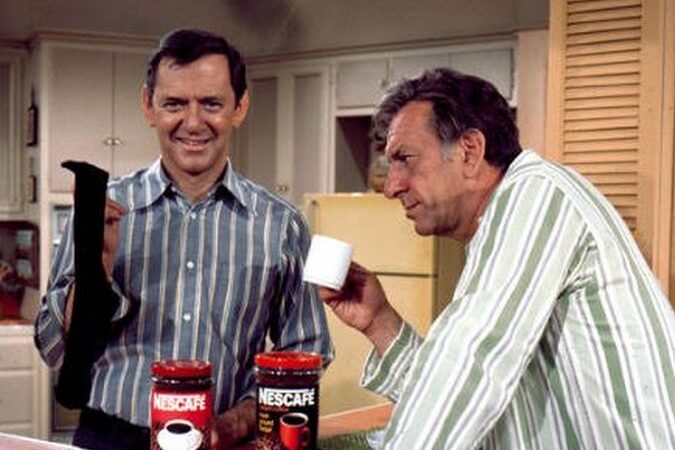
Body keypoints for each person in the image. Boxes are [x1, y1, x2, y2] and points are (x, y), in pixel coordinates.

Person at [320, 68, 675, 449]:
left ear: (470, 151)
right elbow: (451, 396)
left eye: (404, 158)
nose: (391, 187)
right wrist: (379, 321)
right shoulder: (498, 230)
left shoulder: (537, 194)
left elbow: (471, 365)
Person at [35, 28, 333, 449]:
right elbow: (52, 349)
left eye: (211, 103)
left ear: (240, 107)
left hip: (224, 442)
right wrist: (93, 272)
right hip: (108, 438)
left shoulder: (281, 224)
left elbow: (307, 350)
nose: (193, 123)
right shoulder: (100, 210)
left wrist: (234, 424)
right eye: (174, 103)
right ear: (148, 105)